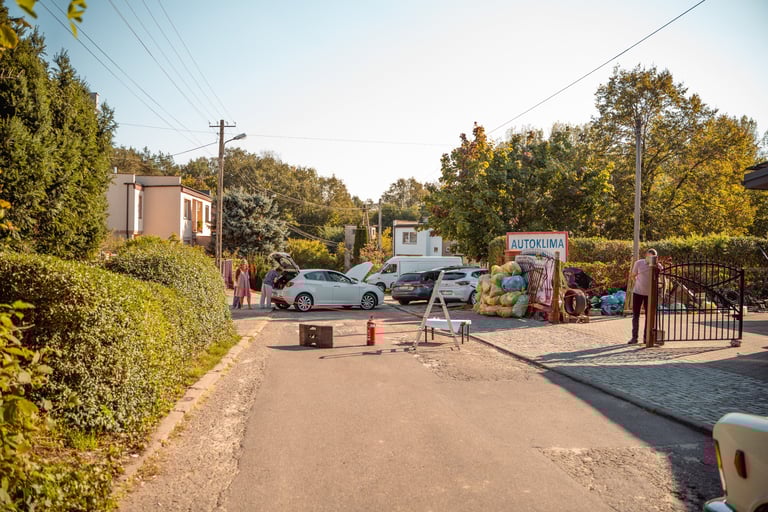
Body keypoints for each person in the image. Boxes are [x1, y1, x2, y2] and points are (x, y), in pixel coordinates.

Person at [628, 248, 657, 344]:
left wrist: (655, 265)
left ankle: (646, 338)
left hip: (649, 294)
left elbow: (660, 274)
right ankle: (634, 337)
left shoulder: (657, 265)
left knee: (649, 316)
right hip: (638, 292)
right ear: (646, 255)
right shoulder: (639, 263)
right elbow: (633, 275)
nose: (650, 258)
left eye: (653, 257)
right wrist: (637, 282)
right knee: (635, 315)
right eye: (649, 256)